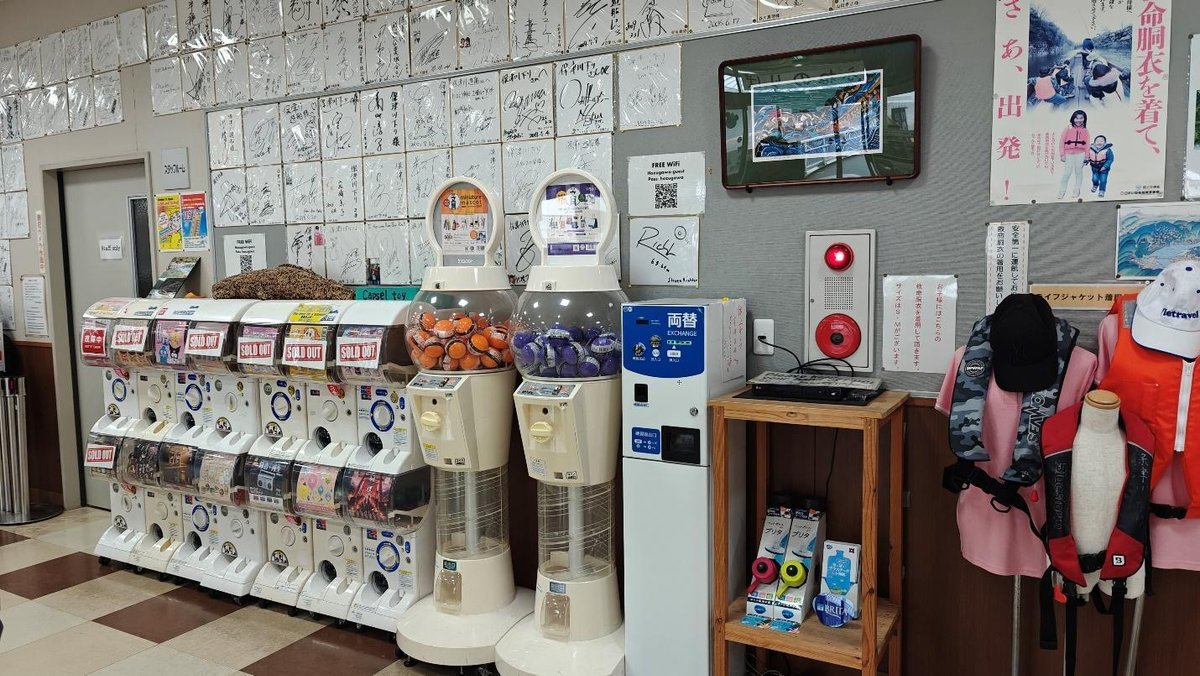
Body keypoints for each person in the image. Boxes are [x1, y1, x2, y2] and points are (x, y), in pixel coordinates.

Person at [1058, 110, 1090, 199]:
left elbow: (1087, 144)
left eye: (1081, 118)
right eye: (1076, 118)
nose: (1079, 120)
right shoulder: (1068, 128)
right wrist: (1062, 154)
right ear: (1073, 118)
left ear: (1084, 119)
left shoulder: (1085, 130)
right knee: (1067, 173)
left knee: (1078, 172)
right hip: (1068, 154)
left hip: (1081, 154)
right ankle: (1062, 191)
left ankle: (1077, 190)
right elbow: (1061, 141)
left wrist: (1087, 157)